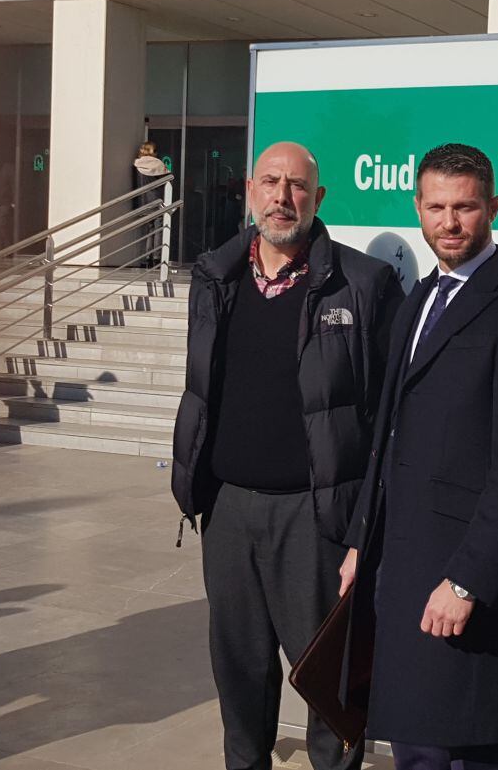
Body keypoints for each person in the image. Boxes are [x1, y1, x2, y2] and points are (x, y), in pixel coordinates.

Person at [171, 141, 404, 770]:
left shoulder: (364, 284)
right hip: (226, 511)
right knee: (240, 679)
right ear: (249, 191)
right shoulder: (214, 276)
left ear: (318, 197)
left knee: (327, 686)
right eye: (270, 183)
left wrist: (365, 527)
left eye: (297, 185)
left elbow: (389, 417)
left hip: (315, 517)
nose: (282, 197)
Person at [339, 144, 498, 770]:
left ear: (493, 206)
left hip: (461, 577)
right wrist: (362, 540)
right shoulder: (417, 298)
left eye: (465, 207)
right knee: (421, 745)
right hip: (400, 564)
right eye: (436, 207)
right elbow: (387, 430)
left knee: (464, 747)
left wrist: (467, 579)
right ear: (418, 207)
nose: (449, 222)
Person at [132, 141, 168, 266]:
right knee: (159, 229)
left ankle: (146, 257)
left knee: (149, 229)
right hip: (157, 201)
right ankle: (157, 257)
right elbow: (168, 180)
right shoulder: (158, 164)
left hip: (143, 202)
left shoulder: (137, 165)